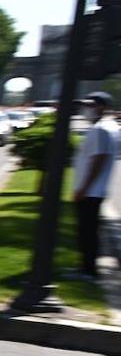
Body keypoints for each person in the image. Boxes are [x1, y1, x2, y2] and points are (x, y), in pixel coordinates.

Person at [69, 90, 117, 280]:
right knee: (88, 230)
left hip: (90, 191)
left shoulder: (101, 130)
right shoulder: (108, 127)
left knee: (87, 231)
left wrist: (84, 188)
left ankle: (88, 271)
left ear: (101, 107)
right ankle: (86, 267)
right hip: (94, 190)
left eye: (90, 106)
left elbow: (99, 159)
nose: (86, 109)